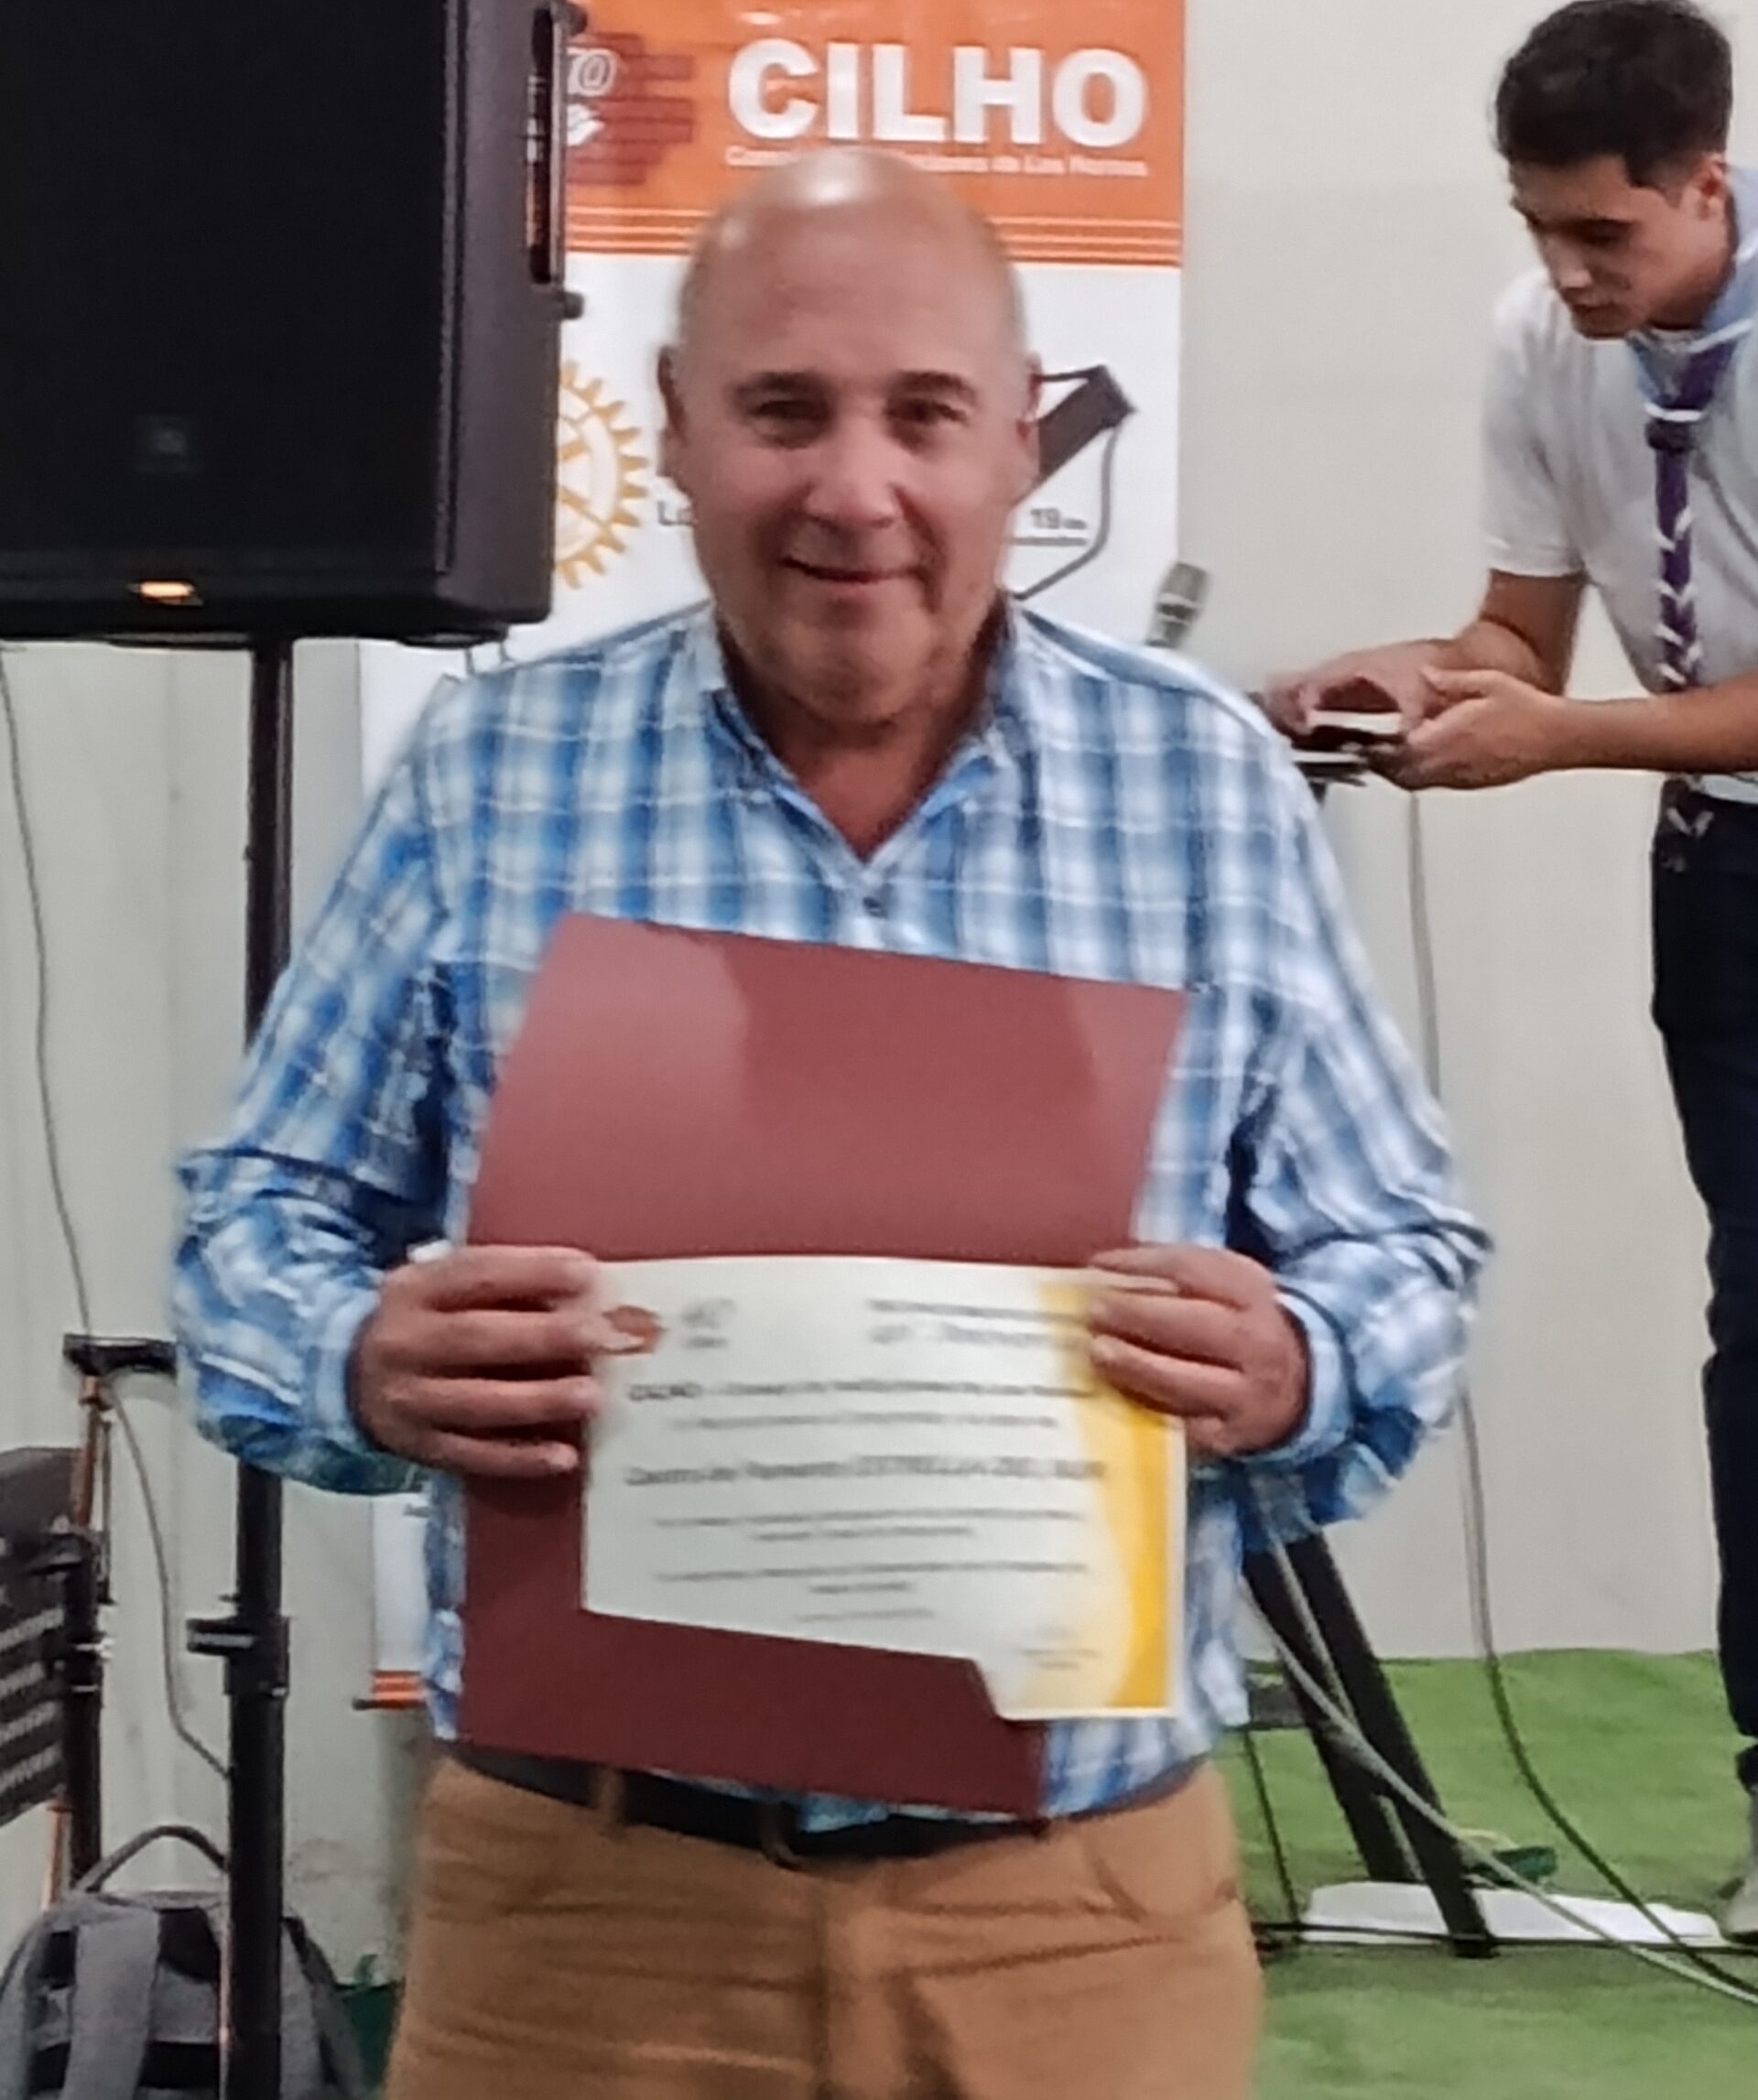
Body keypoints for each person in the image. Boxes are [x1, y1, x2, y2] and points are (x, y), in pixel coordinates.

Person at [174, 146, 1485, 2097]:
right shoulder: (494, 775)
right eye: (784, 410)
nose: (854, 488)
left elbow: (1407, 1250)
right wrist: (359, 1355)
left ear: (1022, 441)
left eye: (924, 414)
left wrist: (1299, 1357)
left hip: (1076, 1921)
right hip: (586, 1920)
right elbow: (250, 1228)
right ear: (677, 430)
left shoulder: (1201, 784)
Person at [1267, 0, 1758, 1941]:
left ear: (1707, 182)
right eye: (1538, 226)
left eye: (1601, 232)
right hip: (1721, 872)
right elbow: (1519, 643)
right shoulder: (1541, 341)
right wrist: (1402, 680)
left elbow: (1578, 713)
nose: (1564, 271)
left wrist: (1562, 741)